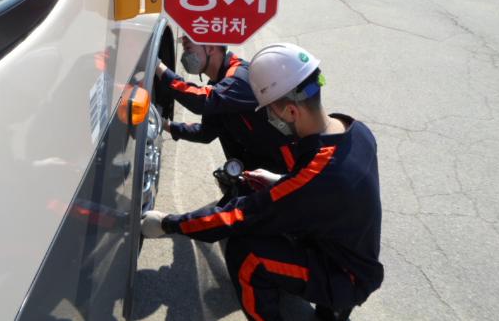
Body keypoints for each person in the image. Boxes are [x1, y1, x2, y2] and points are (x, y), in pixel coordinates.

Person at [142, 43, 384, 321]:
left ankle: (329, 301)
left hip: (346, 276)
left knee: (247, 254)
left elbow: (237, 215)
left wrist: (168, 223)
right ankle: (333, 309)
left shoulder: (316, 177)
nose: (268, 117)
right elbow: (335, 196)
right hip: (350, 252)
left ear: (292, 112)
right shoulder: (356, 130)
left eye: (269, 111)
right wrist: (282, 181)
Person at [155, 36, 295, 174]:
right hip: (256, 164)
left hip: (285, 167)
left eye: (188, 49)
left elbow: (200, 101)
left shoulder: (238, 78)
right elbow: (206, 133)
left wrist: (156, 65)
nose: (186, 56)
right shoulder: (219, 84)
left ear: (210, 48)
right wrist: (162, 123)